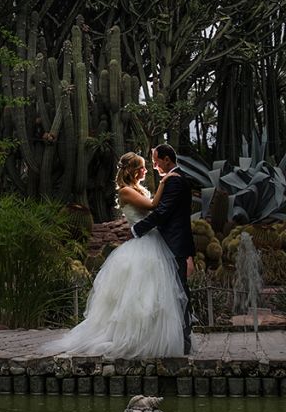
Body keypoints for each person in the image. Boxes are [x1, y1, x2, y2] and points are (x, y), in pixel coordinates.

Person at [44, 151, 187, 359]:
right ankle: (132, 339)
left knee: (154, 295)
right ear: (133, 171)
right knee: (138, 296)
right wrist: (164, 182)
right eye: (142, 167)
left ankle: (150, 339)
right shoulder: (125, 191)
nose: (145, 170)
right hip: (142, 245)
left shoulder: (138, 189)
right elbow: (152, 206)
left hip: (152, 242)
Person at [132, 143, 195, 355]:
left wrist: (136, 229)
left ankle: (183, 340)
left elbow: (162, 213)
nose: (154, 166)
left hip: (174, 244)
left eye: (156, 161)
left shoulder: (175, 181)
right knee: (174, 291)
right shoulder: (174, 178)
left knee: (178, 292)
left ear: (167, 160)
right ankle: (178, 340)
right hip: (172, 243)